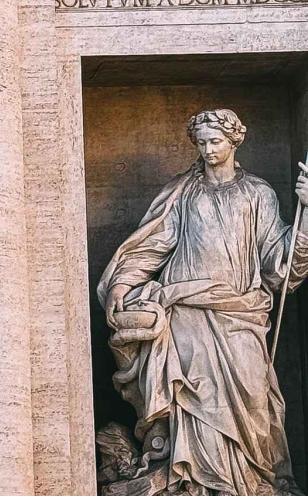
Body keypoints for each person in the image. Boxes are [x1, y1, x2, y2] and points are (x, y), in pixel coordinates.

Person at [98, 109, 308, 496]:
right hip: (186, 311)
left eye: (216, 142)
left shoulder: (257, 193)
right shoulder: (183, 192)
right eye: (202, 143)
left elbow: (280, 264)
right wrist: (121, 285)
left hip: (240, 312)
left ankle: (254, 480)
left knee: (255, 398)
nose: (209, 150)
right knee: (194, 398)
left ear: (234, 141)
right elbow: (152, 245)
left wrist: (306, 217)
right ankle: (193, 481)